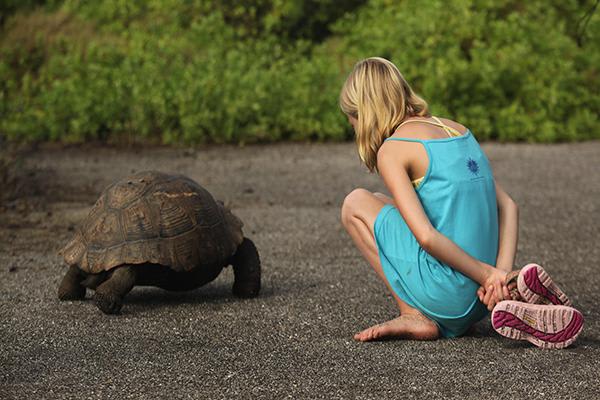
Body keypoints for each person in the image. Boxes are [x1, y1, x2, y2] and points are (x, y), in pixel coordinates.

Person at [339, 57, 583, 348]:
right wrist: (498, 277)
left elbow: (427, 237)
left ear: (363, 112)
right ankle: (512, 288)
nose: (354, 128)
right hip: (483, 296)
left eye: (351, 119)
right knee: (379, 201)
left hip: (451, 297)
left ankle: (413, 315)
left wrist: (487, 275)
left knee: (356, 203)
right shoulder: (457, 130)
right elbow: (508, 206)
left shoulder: (393, 150)